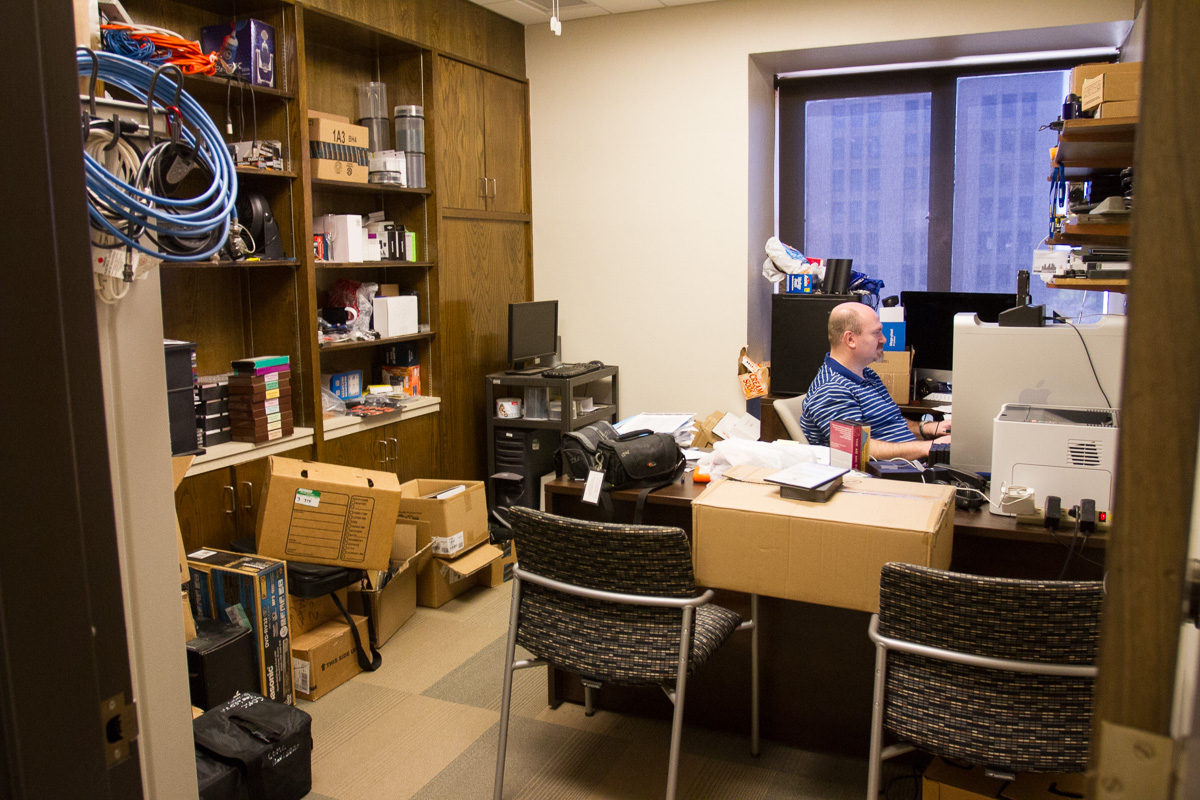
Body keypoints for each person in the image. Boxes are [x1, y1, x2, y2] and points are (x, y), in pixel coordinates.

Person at [799, 302, 950, 461]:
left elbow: (890, 422)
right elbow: (860, 448)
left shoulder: (867, 373)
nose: (884, 339)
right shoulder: (831, 389)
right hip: (885, 478)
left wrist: (927, 428)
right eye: (876, 333)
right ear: (850, 339)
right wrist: (931, 447)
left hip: (910, 466)